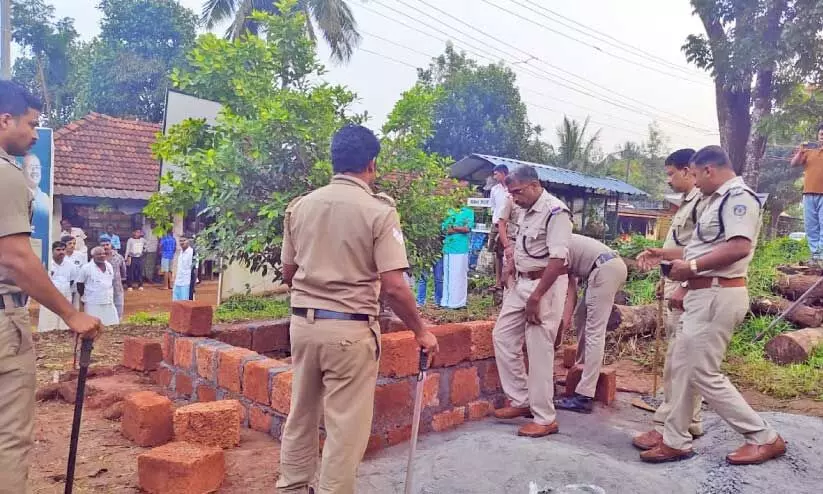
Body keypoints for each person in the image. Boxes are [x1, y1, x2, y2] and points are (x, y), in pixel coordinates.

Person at [276, 124, 439, 494]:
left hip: (303, 327)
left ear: (334, 161)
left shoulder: (300, 207)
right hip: (350, 331)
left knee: (300, 414)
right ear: (371, 164)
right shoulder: (378, 211)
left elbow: (288, 272)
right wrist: (421, 331)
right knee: (345, 429)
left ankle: (292, 487)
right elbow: (394, 286)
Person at [638, 145, 786, 465]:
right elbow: (699, 249)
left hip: (718, 294)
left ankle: (763, 436)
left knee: (702, 372)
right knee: (684, 367)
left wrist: (691, 270)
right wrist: (665, 257)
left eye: (695, 174)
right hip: (703, 293)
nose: (694, 181)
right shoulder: (714, 201)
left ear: (709, 170)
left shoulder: (738, 198)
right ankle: (675, 439)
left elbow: (739, 247)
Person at [0, 80, 102, 492]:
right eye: (30, 124)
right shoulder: (6, 176)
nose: (33, 134)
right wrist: (70, 313)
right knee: (9, 436)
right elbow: (15, 258)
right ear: (5, 120)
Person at [633, 148, 706, 449]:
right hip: (678, 282)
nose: (668, 180)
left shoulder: (702, 203)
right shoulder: (687, 203)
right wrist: (661, 260)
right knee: (683, 358)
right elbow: (683, 247)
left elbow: (701, 253)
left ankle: (667, 425)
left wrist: (684, 286)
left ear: (688, 171)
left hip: (690, 287)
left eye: (671, 173)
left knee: (678, 359)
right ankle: (691, 420)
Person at [491, 165, 572, 438]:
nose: (514, 199)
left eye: (517, 192)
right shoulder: (527, 210)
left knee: (539, 350)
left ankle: (545, 417)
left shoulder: (556, 212)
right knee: (503, 337)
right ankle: (521, 399)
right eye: (511, 194)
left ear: (534, 185)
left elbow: (558, 260)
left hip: (544, 286)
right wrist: (511, 268)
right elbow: (526, 247)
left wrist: (536, 297)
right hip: (521, 282)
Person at [554, 234, 627, 413]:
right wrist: (564, 325)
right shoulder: (558, 241)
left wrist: (559, 329)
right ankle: (580, 372)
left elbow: (566, 292)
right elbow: (572, 292)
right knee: (582, 315)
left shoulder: (555, 244)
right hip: (608, 266)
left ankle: (584, 395)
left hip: (604, 269)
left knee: (595, 331)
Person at [790, 123, 823, 263]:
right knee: (811, 227)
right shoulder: (809, 151)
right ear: (818, 135)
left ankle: (821, 256)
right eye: (821, 134)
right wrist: (800, 152)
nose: (822, 136)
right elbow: (793, 164)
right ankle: (816, 256)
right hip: (808, 193)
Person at [440, 205, 475, 309]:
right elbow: (446, 230)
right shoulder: (448, 210)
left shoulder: (468, 212)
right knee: (449, 276)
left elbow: (467, 229)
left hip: (461, 248)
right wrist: (460, 229)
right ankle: (447, 302)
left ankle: (459, 303)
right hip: (449, 247)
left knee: (460, 275)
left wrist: (454, 227)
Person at [37, 241, 77, 332]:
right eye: (58, 250)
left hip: (65, 297)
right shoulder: (46, 264)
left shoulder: (71, 265)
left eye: (63, 250)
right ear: (52, 251)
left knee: (64, 325)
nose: (61, 252)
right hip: (49, 298)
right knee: (48, 323)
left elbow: (72, 281)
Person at [76, 246, 119, 326]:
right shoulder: (86, 268)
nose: (102, 256)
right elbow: (79, 284)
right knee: (93, 326)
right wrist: (84, 296)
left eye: (103, 254)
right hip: (92, 302)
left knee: (113, 325)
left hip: (108, 301)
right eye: (99, 254)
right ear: (93, 256)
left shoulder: (109, 266)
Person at [488, 164, 510, 290]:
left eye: (496, 174)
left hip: (509, 225)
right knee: (497, 253)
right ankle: (498, 282)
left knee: (509, 251)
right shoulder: (494, 189)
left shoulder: (511, 188)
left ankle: (508, 280)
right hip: (496, 223)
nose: (495, 177)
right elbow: (493, 207)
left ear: (503, 173)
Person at [21, 153, 50, 235]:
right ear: (23, 171)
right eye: (31, 167)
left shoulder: (46, 199)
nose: (35, 171)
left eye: (37, 167)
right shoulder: (17, 195)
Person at [100, 237, 127, 319]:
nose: (105, 247)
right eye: (103, 245)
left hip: (117, 287)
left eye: (107, 244)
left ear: (111, 245)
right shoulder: (97, 259)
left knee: (118, 310)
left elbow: (123, 271)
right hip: (102, 289)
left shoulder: (118, 257)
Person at [63, 235, 87, 310]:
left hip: (77, 285)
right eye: (69, 243)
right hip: (64, 286)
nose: (72, 245)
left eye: (74, 243)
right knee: (65, 307)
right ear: (64, 244)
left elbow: (84, 270)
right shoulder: (61, 255)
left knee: (75, 308)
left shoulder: (80, 255)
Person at [173, 236, 194, 301]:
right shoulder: (180, 252)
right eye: (180, 241)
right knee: (176, 302)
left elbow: (195, 269)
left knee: (186, 302)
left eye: (184, 240)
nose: (182, 242)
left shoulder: (192, 253)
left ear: (188, 241)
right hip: (178, 281)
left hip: (186, 282)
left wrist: (193, 283)